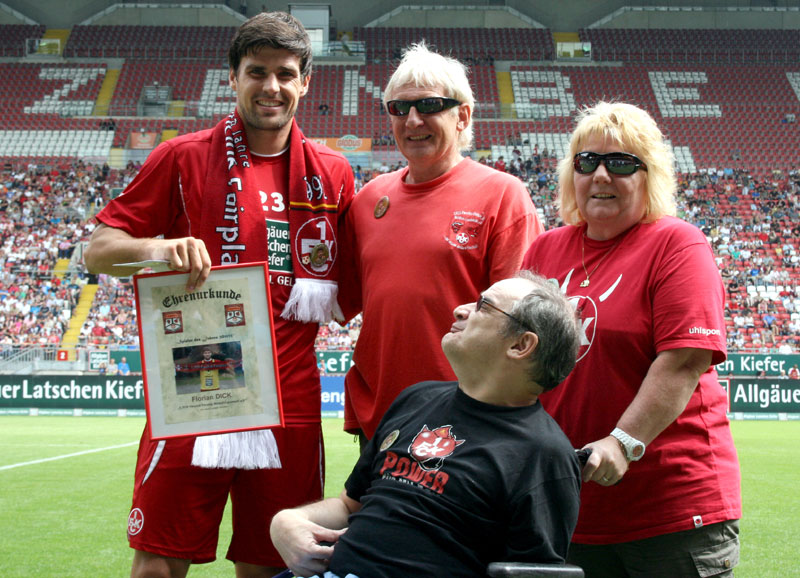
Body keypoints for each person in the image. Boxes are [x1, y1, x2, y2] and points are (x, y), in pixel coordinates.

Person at [84, 12, 354, 578]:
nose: (271, 87)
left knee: (272, 565)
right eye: (257, 72)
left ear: (305, 82)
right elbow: (98, 250)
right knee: (158, 563)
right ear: (232, 77)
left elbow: (358, 286)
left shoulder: (332, 175)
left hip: (290, 406)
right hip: (194, 390)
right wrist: (158, 250)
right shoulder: (182, 156)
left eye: (285, 73)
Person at [522, 101, 741, 577]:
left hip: (669, 509)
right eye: (587, 162)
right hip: (568, 506)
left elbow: (684, 360)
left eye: (621, 163)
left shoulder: (677, 244)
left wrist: (623, 443)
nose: (601, 175)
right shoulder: (545, 249)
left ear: (651, 176)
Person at [270, 272, 582, 578]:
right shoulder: (416, 398)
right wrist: (288, 521)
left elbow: (532, 573)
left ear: (520, 345)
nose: (461, 309)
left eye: (483, 306)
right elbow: (349, 506)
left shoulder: (544, 454)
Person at [337, 43, 542, 445]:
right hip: (379, 417)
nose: (412, 120)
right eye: (399, 108)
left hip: (463, 423)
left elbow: (522, 323)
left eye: (429, 105)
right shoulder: (368, 200)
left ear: (463, 115)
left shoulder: (503, 195)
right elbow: (334, 298)